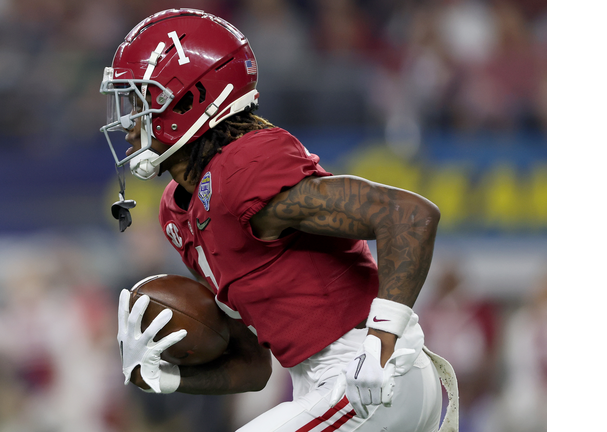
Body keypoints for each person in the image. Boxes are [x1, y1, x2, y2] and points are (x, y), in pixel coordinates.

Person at [101, 9, 458, 432]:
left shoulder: (242, 168)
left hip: (371, 370)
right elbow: (253, 367)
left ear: (189, 99)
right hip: (327, 384)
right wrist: (169, 377)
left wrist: (381, 342)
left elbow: (409, 216)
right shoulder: (178, 212)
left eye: (142, 102)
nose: (129, 123)